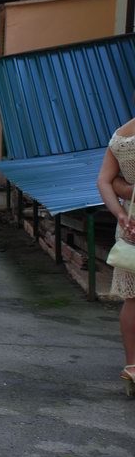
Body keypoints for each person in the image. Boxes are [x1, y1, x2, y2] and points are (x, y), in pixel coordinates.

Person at [97, 115, 135, 397]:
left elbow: (104, 181)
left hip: (130, 227)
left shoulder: (120, 135)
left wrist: (121, 214)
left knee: (132, 300)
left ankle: (132, 365)